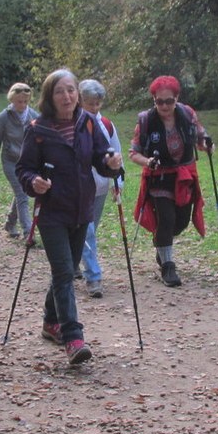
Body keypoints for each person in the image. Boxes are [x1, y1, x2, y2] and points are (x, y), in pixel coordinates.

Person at [16, 69, 123, 365]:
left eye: (71, 90)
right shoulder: (38, 129)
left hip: (82, 209)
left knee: (66, 268)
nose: (67, 96)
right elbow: (24, 169)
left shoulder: (88, 124)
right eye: (60, 91)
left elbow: (103, 160)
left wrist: (111, 163)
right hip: (52, 212)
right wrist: (33, 181)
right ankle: (73, 337)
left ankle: (51, 321)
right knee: (65, 273)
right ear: (50, 97)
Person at [129, 76, 209, 287]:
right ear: (154, 100)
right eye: (159, 101)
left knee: (180, 222)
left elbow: (201, 138)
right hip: (159, 177)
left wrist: (207, 144)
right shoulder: (146, 120)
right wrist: (148, 161)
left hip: (184, 177)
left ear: (177, 98)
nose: (164, 106)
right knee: (166, 218)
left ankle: (161, 245)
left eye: (169, 101)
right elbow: (134, 153)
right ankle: (168, 266)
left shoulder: (188, 114)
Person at [77, 79, 121, 298]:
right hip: (82, 186)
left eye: (97, 103)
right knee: (88, 231)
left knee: (89, 228)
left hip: (101, 185)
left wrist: (118, 183)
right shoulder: (75, 123)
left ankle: (73, 261)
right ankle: (93, 276)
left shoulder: (106, 124)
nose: (94, 108)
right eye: (89, 103)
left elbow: (116, 154)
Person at [0, 82, 39, 240]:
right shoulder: (3, 117)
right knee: (22, 194)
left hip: (27, 163)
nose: (22, 105)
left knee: (20, 193)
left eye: (26, 101)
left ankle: (10, 223)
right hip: (10, 162)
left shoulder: (34, 116)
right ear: (12, 100)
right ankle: (27, 232)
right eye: (19, 102)